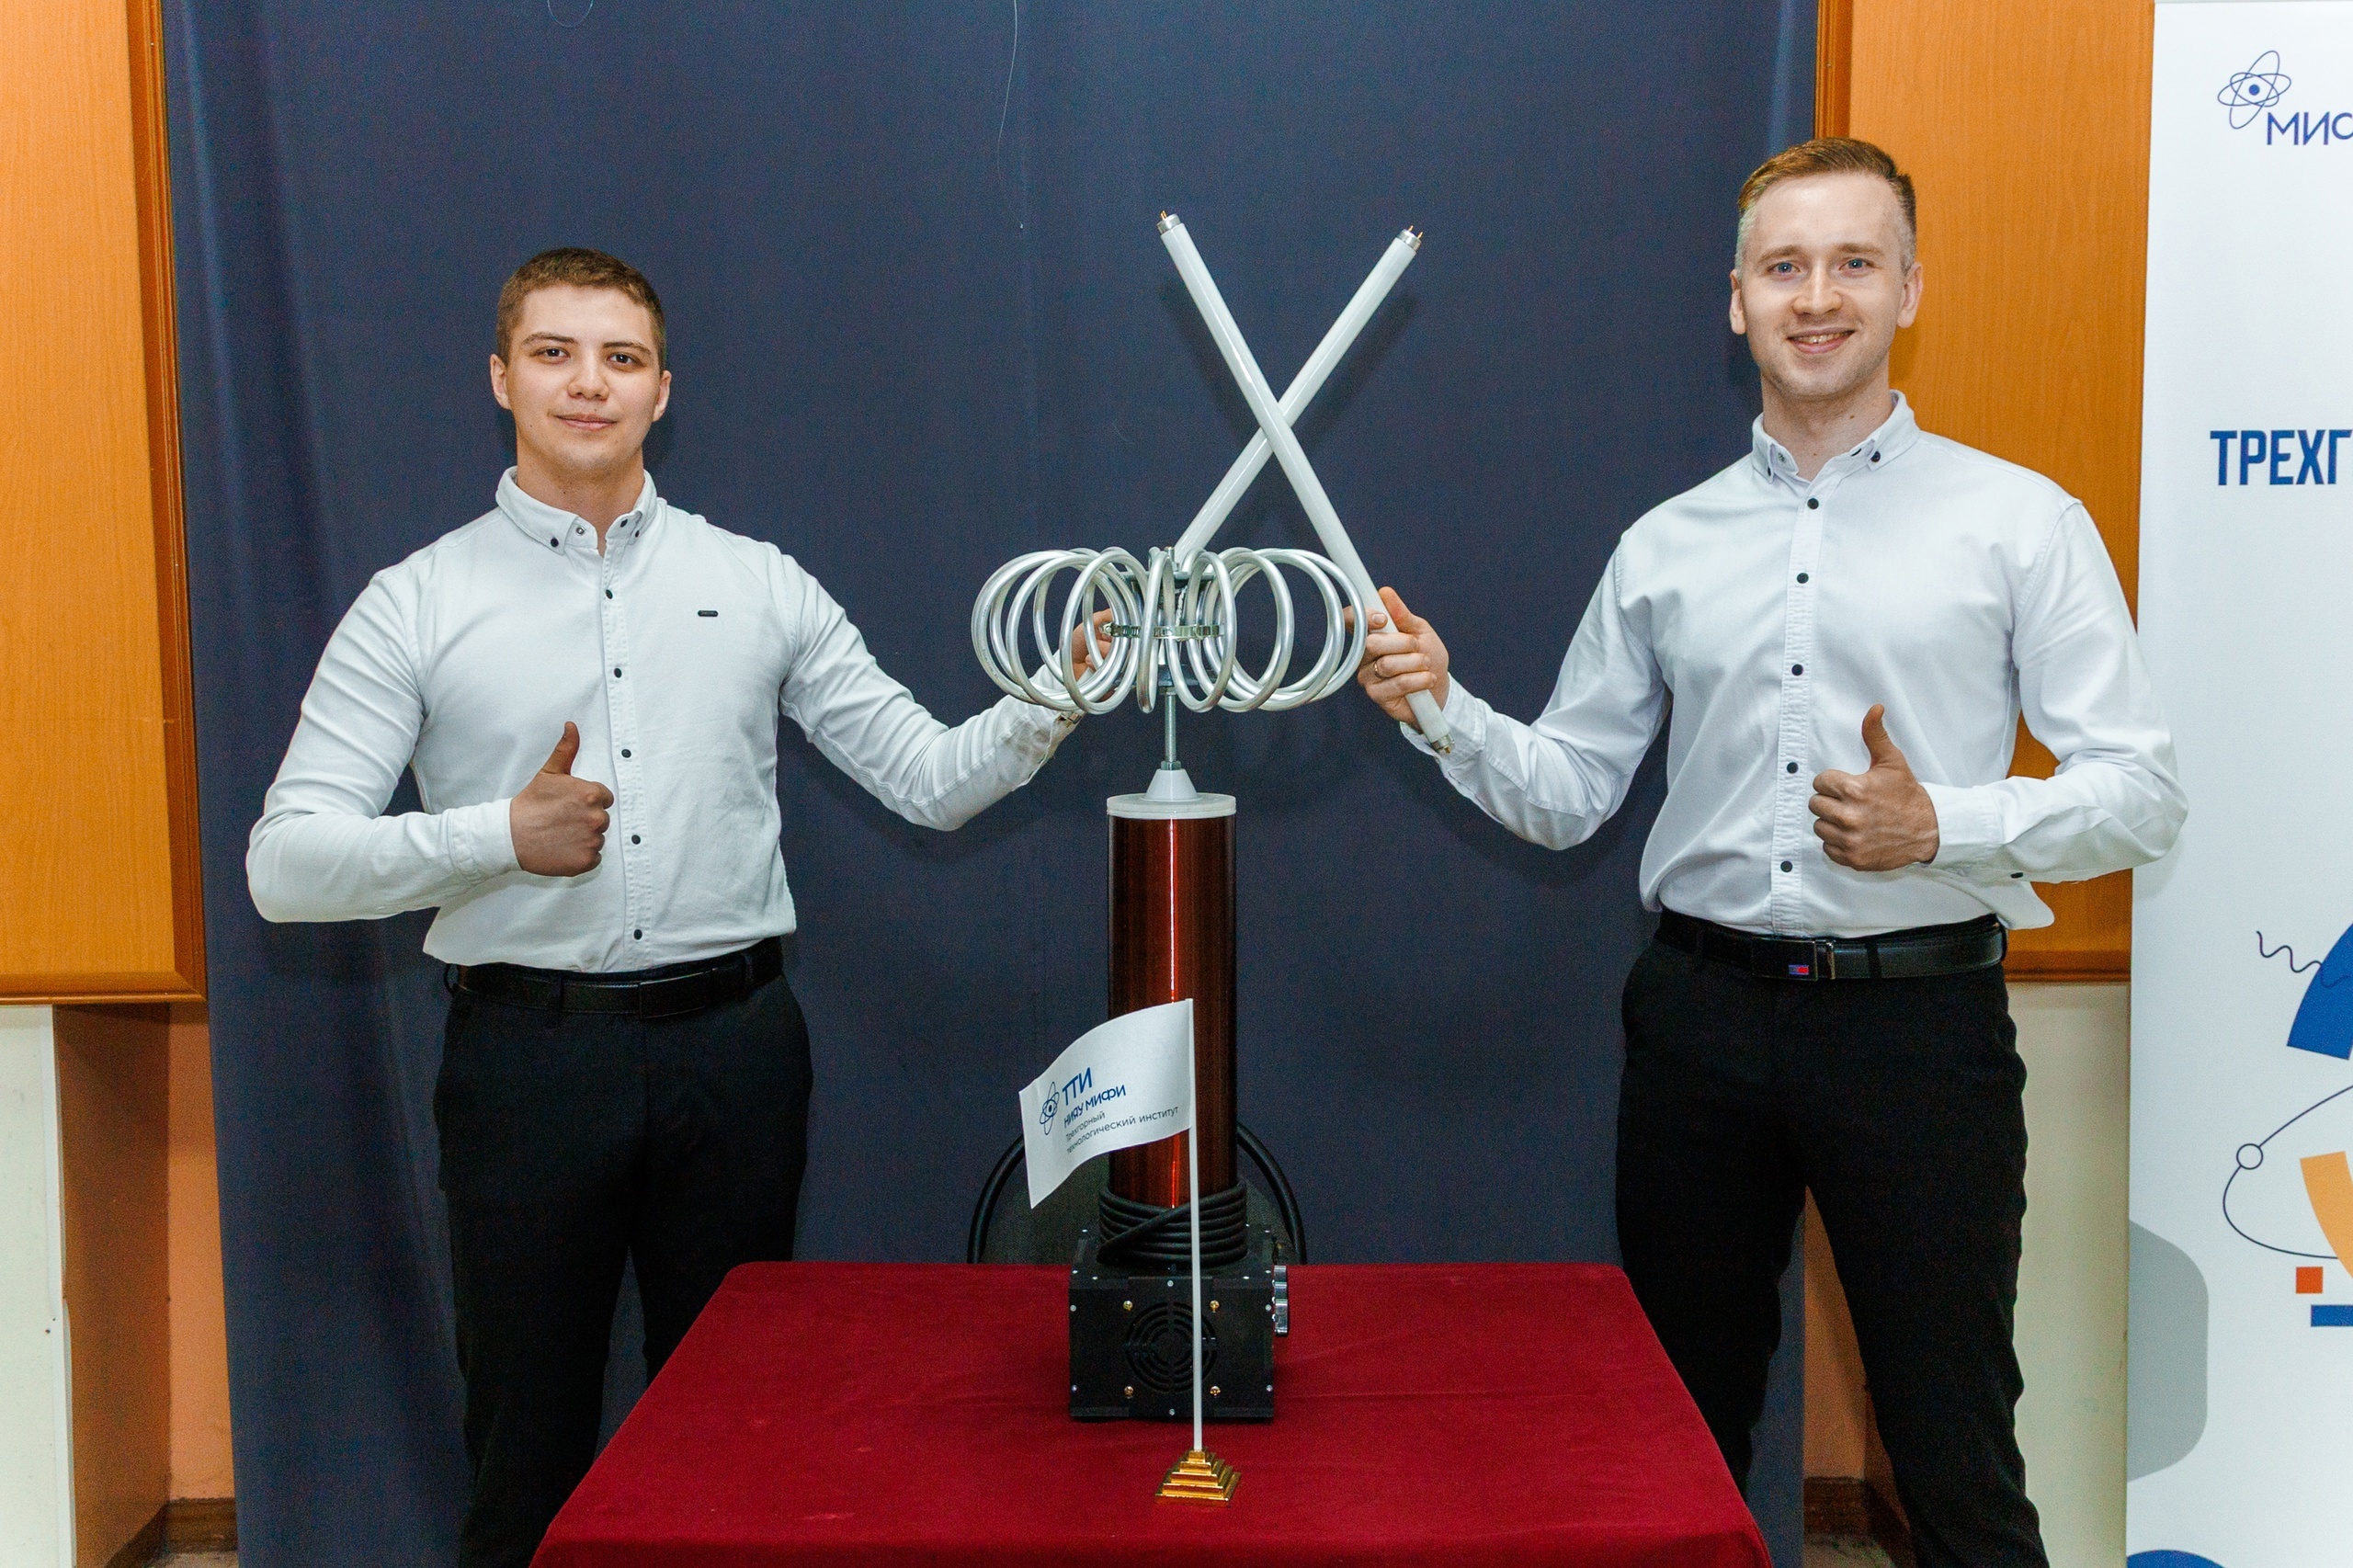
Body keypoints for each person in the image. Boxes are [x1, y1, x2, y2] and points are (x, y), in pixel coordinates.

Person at [1351, 139, 2182, 1567]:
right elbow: (1569, 792)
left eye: (1855, 262)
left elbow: (2142, 791)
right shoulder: (1664, 546)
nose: (1818, 295)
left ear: (1910, 289)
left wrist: (1947, 823)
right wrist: (1441, 706)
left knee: (1956, 1455)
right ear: (1736, 299)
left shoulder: (2019, 524)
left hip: (1919, 1033)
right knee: (1675, 1447)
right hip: (1700, 1028)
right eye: (1785, 266)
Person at [246, 247, 1108, 1568]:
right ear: (501, 378)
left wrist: (1055, 696)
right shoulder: (416, 602)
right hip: (526, 1064)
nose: (588, 382)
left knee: (740, 1446)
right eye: (554, 352)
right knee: (527, 1454)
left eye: (622, 358)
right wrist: (498, 838)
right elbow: (286, 865)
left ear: (663, 390)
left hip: (735, 1057)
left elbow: (929, 779)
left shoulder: (758, 582)